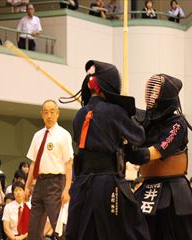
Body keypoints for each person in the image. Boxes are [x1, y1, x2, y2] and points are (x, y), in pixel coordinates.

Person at [64, 60, 150, 240]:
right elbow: (139, 137)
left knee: (84, 233)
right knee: (130, 231)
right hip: (109, 183)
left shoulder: (79, 115)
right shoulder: (114, 111)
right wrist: (128, 116)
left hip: (82, 185)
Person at [125, 73, 192, 240]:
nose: (151, 96)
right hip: (149, 184)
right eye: (149, 91)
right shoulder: (147, 120)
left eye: (155, 92)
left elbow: (159, 150)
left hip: (173, 188)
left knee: (187, 233)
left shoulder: (177, 123)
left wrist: (137, 154)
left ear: (165, 96)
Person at [25, 99, 73, 240]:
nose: (49, 115)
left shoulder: (64, 135)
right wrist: (27, 186)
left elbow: (68, 164)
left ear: (58, 113)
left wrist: (67, 189)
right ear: (41, 114)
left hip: (56, 183)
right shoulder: (37, 135)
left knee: (58, 227)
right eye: (46, 112)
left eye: (52, 112)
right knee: (33, 229)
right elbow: (33, 163)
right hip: (39, 183)